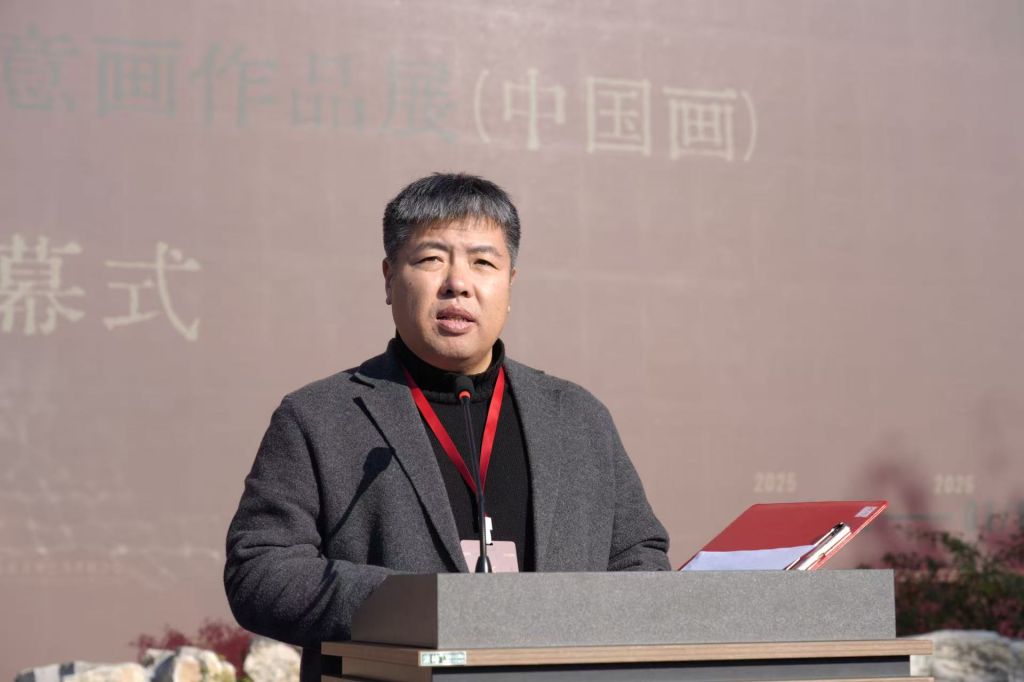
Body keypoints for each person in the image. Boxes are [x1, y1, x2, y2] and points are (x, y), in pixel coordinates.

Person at [224, 173, 670, 682]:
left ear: (510, 284)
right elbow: (259, 571)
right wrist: (411, 605)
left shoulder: (578, 418)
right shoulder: (319, 416)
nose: (458, 282)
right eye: (431, 259)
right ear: (389, 278)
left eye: (483, 263)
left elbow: (640, 558)